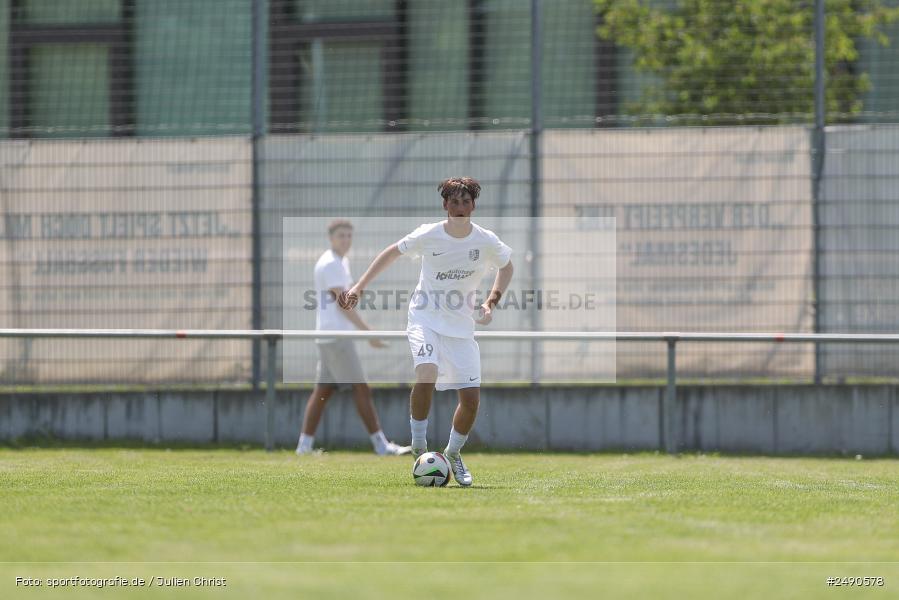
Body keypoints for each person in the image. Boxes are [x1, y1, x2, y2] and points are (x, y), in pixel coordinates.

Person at [340, 177, 514, 486]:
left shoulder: (485, 240)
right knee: (427, 373)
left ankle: (453, 454)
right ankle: (419, 446)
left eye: (465, 201)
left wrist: (491, 302)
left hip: (460, 328)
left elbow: (507, 266)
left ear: (473, 205)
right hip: (424, 319)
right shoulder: (429, 234)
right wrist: (358, 287)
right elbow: (391, 253)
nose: (460, 207)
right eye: (454, 201)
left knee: (471, 399)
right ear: (445, 205)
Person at [296, 219, 411, 456]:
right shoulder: (331, 263)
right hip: (336, 337)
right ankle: (381, 445)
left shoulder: (340, 262)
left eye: (349, 236)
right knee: (361, 388)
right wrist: (369, 333)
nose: (346, 240)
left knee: (323, 392)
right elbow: (343, 305)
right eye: (341, 236)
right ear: (331, 238)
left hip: (330, 336)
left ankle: (303, 447)